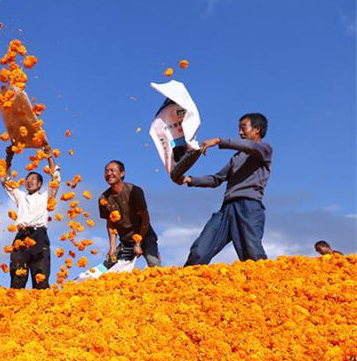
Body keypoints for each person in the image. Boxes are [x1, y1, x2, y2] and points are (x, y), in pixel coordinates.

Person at [180, 113, 272, 265]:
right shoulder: (237, 157)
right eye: (239, 128)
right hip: (226, 209)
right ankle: (186, 279)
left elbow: (250, 146)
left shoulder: (265, 149)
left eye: (243, 128)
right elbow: (217, 179)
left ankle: (269, 280)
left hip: (248, 208)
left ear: (257, 129)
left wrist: (218, 141)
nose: (240, 132)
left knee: (252, 255)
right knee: (199, 251)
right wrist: (189, 180)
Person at [2, 141, 60, 289]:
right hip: (21, 236)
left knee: (41, 276)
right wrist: (9, 157)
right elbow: (6, 180)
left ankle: (41, 302)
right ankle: (15, 301)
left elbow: (56, 179)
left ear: (40, 184)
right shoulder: (21, 196)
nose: (29, 181)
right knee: (17, 275)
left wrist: (49, 155)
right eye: (27, 179)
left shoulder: (46, 196)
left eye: (33, 179)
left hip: (39, 236)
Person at [98, 160, 161, 267]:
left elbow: (145, 218)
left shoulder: (134, 191)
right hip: (126, 242)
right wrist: (112, 247)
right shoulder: (103, 198)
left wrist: (138, 243)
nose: (109, 173)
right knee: (110, 265)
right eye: (106, 171)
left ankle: (155, 257)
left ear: (122, 173)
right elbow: (110, 224)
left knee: (154, 265)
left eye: (112, 170)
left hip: (145, 236)